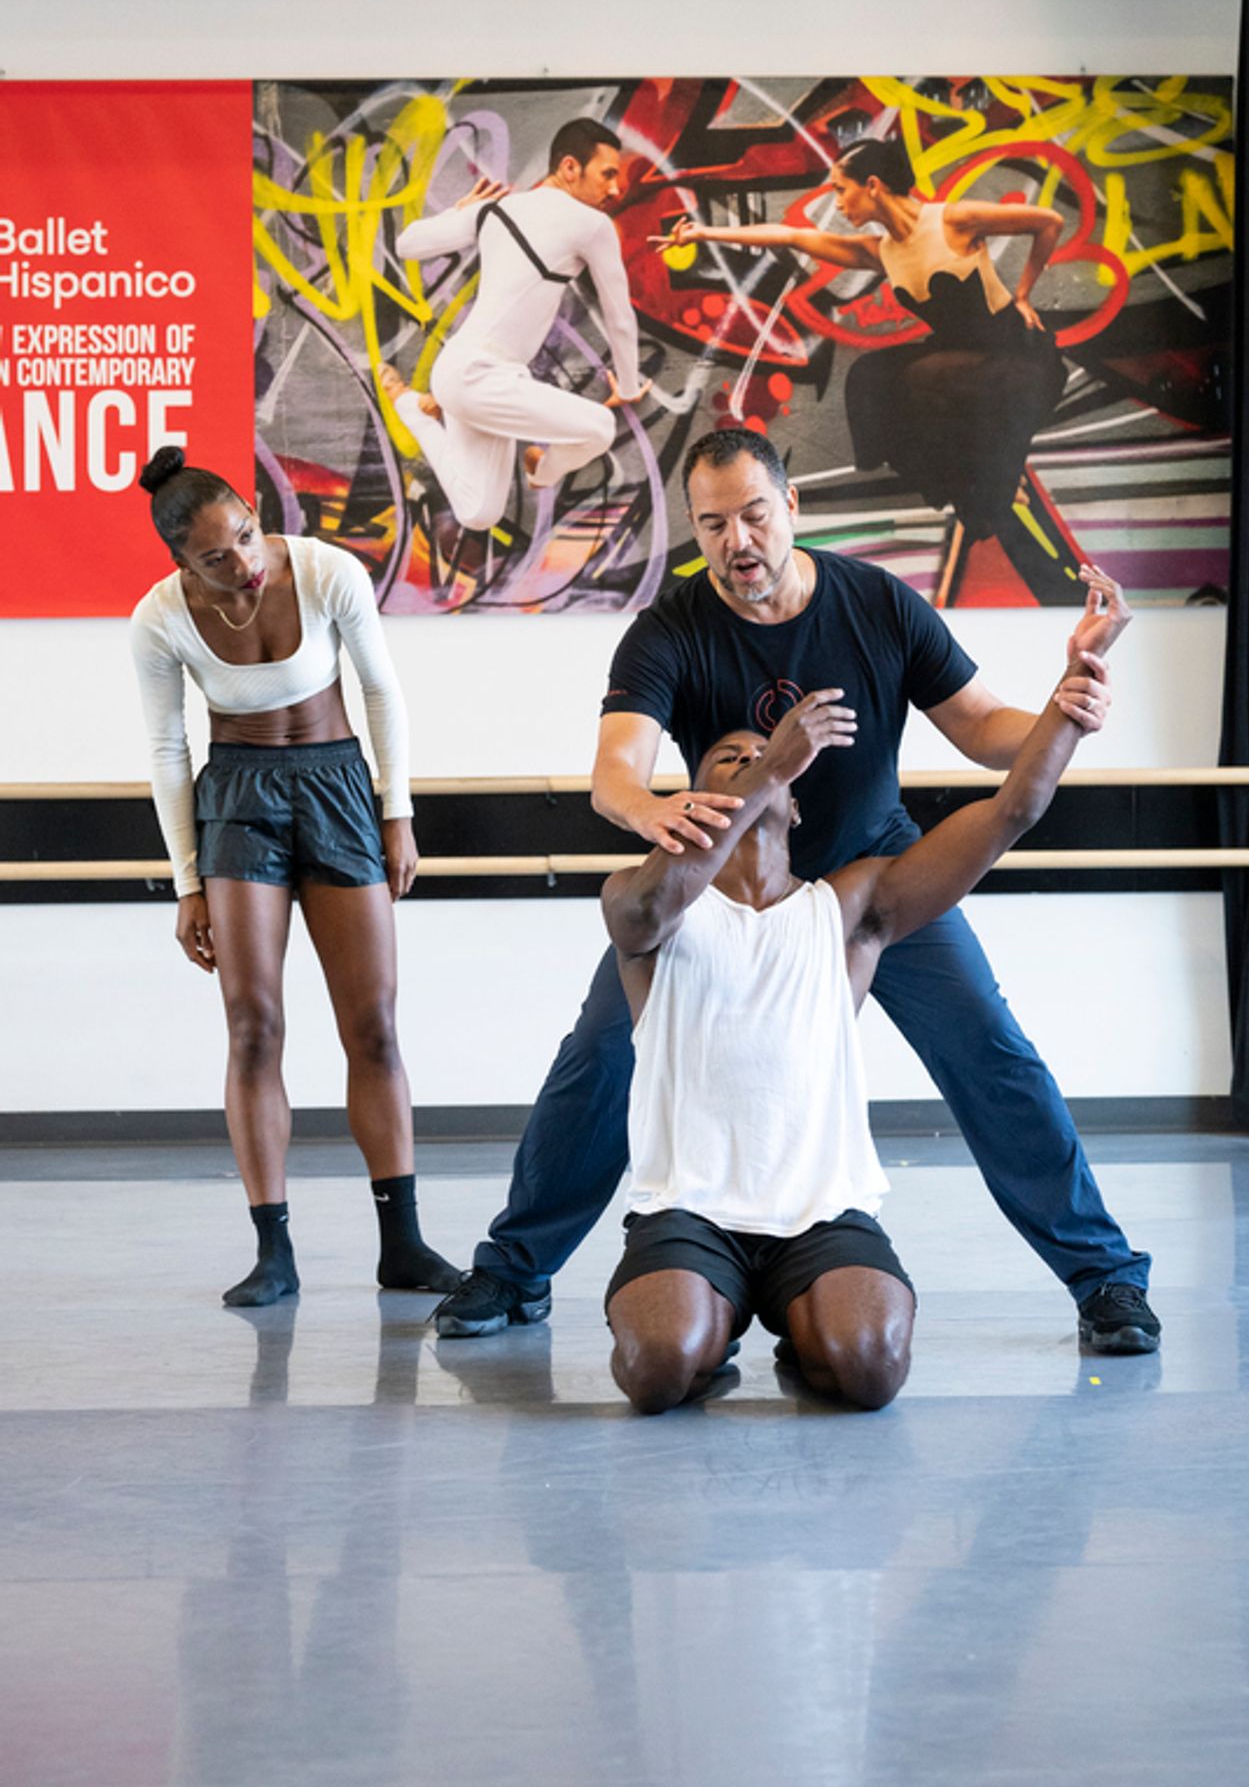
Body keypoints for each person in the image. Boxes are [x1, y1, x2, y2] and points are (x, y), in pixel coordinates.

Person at [434, 427, 1159, 1359]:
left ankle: (1104, 1279)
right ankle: (516, 1269)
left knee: (991, 1052)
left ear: (792, 509)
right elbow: (616, 769)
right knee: (602, 1058)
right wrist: (651, 814)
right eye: (712, 524)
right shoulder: (673, 628)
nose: (737, 541)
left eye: (754, 514)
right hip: (727, 888)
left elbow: (980, 727)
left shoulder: (876, 604)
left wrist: (1068, 709)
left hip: (871, 877)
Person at [603, 616, 1118, 1412]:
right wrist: (769, 767)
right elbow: (646, 901)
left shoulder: (849, 911)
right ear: (697, 803)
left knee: (870, 1369)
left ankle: (793, 1322)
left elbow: (1011, 809)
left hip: (820, 1215)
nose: (750, 766)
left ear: (799, 809)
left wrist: (1067, 704)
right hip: (688, 1212)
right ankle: (715, 1318)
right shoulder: (653, 909)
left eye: (762, 761)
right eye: (727, 764)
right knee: (659, 1369)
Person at [129, 447, 460, 1306]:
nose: (242, 563)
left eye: (245, 535)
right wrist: (187, 882)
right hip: (236, 800)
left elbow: (382, 692)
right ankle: (273, 1253)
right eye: (215, 558)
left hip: (339, 785)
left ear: (254, 511)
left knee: (375, 1027)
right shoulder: (159, 618)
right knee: (253, 1026)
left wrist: (398, 812)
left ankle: (404, 1244)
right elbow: (169, 748)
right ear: (180, 563)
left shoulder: (324, 569)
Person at [653, 137, 1070, 604]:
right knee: (873, 380)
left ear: (872, 185)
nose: (837, 202)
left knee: (916, 378)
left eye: (841, 190)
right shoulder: (881, 251)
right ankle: (984, 480)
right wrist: (704, 235)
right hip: (958, 367)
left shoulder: (951, 220)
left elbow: (1047, 222)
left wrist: (1024, 294)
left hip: (1014, 358)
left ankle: (994, 479)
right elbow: (792, 238)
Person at [382, 117, 650, 536]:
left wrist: (460, 213)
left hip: (468, 373)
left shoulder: (495, 209)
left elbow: (407, 243)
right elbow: (619, 317)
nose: (615, 190)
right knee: (600, 426)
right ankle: (541, 471)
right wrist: (630, 388)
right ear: (569, 168)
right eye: (607, 174)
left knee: (478, 513)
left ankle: (410, 408)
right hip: (478, 376)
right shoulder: (593, 226)